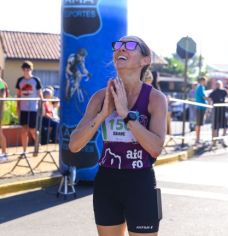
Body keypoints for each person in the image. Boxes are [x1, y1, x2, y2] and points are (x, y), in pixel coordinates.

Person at [69, 36, 166, 236]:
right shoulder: (100, 97)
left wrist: (125, 115)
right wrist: (103, 114)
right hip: (107, 181)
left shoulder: (155, 99)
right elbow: (74, 144)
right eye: (118, 46)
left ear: (144, 60)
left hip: (140, 183)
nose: (121, 49)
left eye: (130, 45)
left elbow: (155, 148)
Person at [16, 61, 43, 154]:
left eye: (28, 69)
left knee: (32, 130)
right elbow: (18, 95)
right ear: (22, 70)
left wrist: (41, 107)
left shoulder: (36, 80)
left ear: (31, 70)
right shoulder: (20, 80)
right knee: (24, 130)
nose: (26, 71)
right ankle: (24, 151)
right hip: (23, 109)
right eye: (24, 69)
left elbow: (40, 95)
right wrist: (17, 108)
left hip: (33, 109)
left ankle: (37, 145)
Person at [209, 80, 228, 147]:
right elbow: (209, 99)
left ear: (221, 85)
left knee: (225, 126)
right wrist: (208, 108)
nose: (218, 85)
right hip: (216, 111)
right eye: (217, 84)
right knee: (215, 127)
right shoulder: (213, 92)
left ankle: (222, 139)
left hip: (223, 111)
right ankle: (214, 142)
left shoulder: (223, 91)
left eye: (219, 84)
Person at [194, 76, 208, 144]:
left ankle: (198, 138)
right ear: (202, 81)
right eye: (205, 81)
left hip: (201, 108)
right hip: (199, 108)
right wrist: (210, 99)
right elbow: (204, 97)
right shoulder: (200, 88)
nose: (206, 82)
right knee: (198, 124)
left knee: (199, 124)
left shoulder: (202, 87)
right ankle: (197, 139)